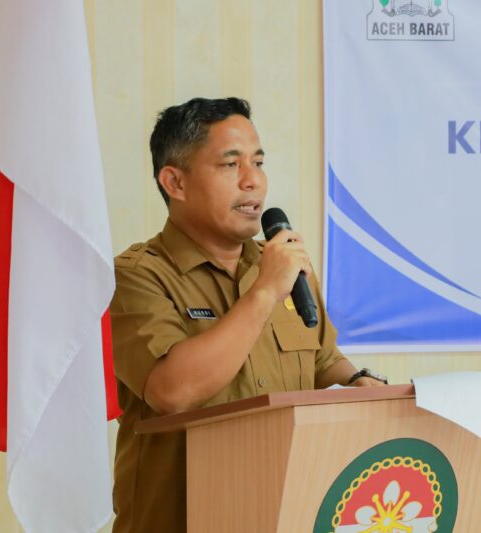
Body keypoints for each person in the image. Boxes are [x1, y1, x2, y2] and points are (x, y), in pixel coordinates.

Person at [109, 97, 386, 532]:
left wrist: (356, 382)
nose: (253, 181)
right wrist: (262, 293)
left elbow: (322, 360)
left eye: (258, 162)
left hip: (286, 514)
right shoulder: (136, 277)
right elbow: (172, 391)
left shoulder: (282, 265)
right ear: (175, 182)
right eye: (230, 165)